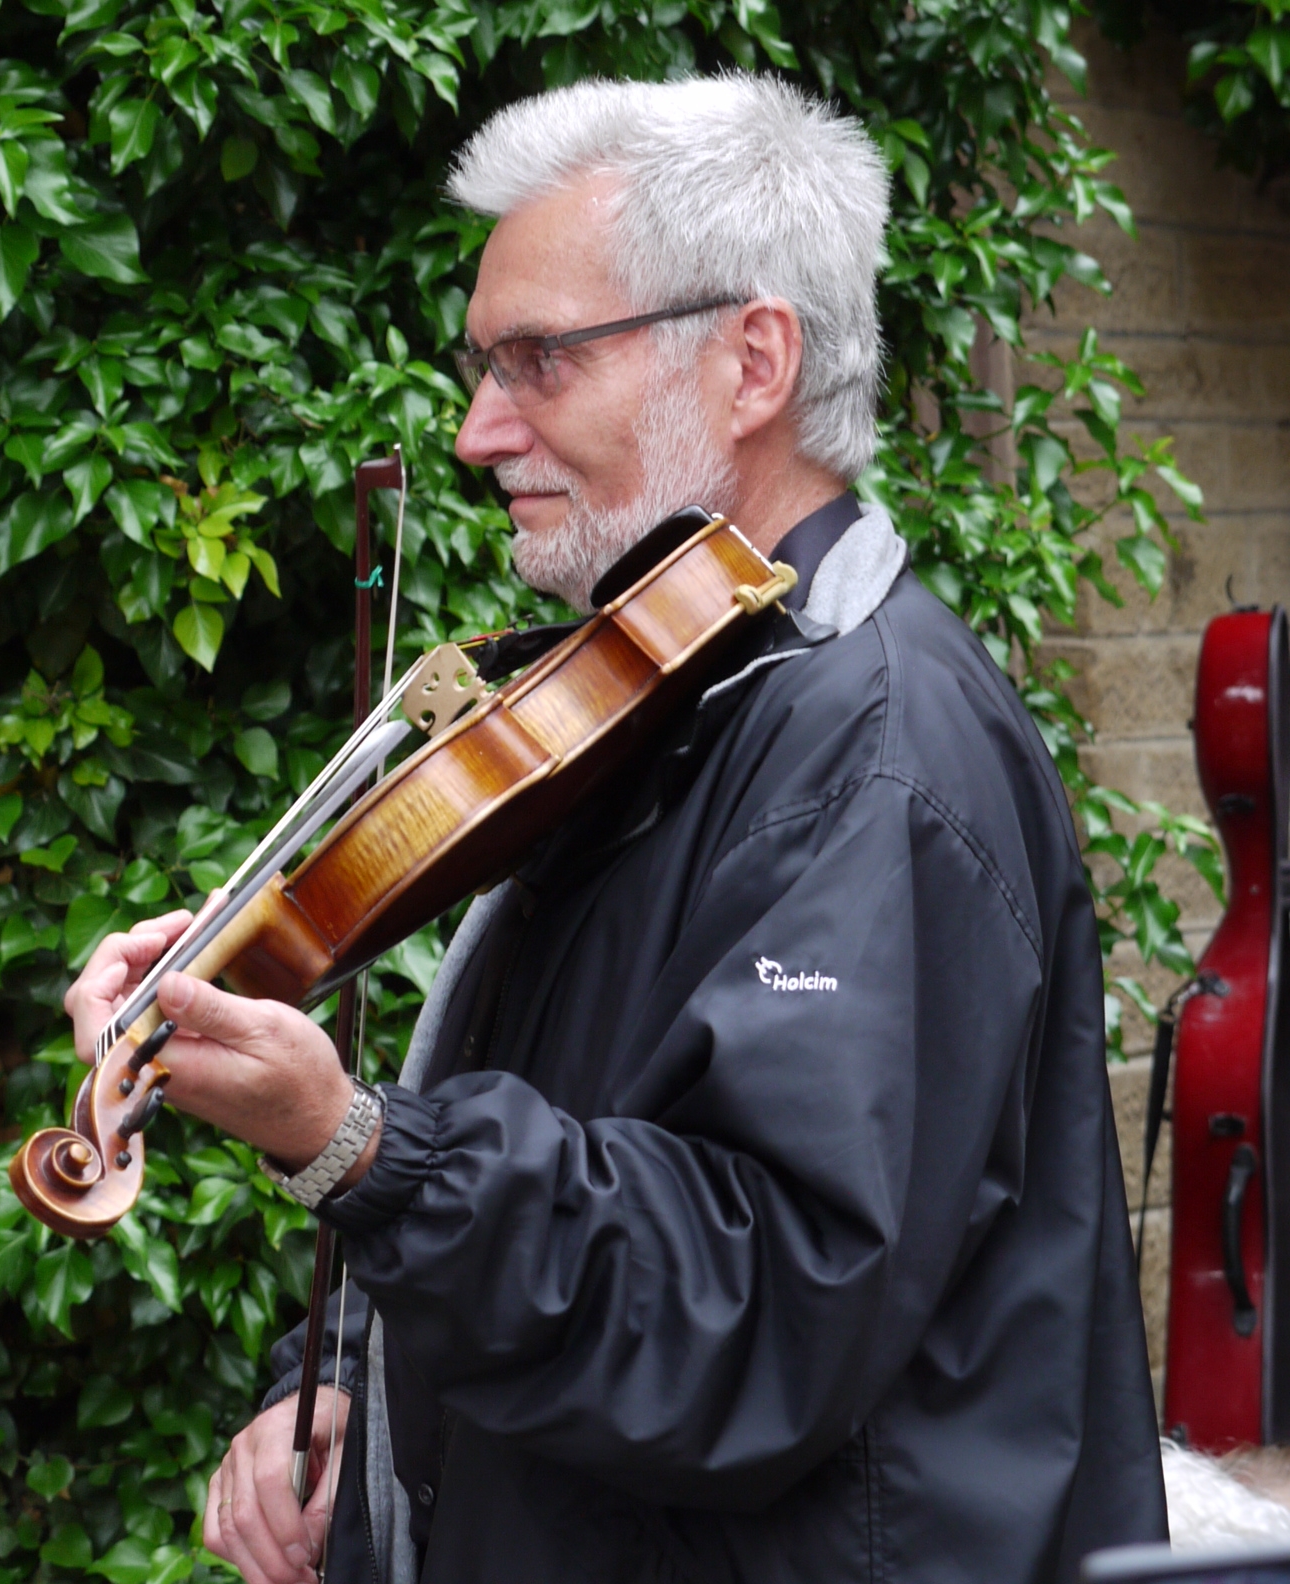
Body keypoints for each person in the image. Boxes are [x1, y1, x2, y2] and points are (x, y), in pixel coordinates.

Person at [67, 77, 1166, 1583]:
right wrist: (337, 1395)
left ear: (751, 359)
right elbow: (567, 1151)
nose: (474, 431)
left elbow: (754, 1313)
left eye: (536, 362)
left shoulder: (875, 754)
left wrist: (358, 1149)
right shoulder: (662, 705)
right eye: (481, 366)